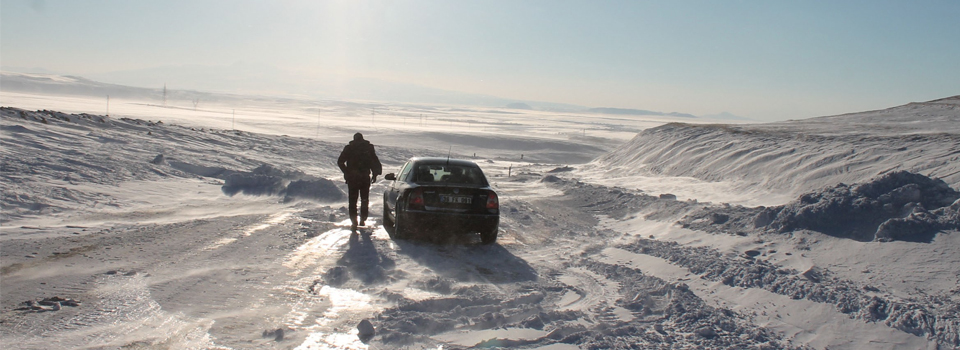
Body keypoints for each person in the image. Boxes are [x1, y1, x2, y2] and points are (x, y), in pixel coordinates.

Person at [337, 132, 382, 231]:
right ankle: (362, 219)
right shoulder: (368, 148)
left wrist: (347, 172)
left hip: (353, 178)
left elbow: (340, 161)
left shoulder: (349, 148)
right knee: (364, 199)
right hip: (364, 177)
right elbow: (374, 160)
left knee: (353, 201)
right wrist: (375, 174)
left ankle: (354, 222)